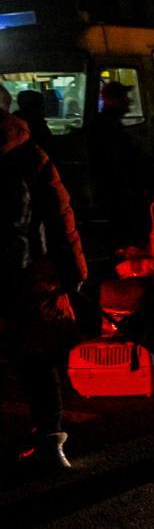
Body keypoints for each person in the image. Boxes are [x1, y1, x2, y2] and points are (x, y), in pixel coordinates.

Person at [1, 111, 87, 471]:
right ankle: (50, 441)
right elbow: (60, 218)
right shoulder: (31, 155)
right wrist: (75, 272)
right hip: (31, 274)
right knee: (36, 358)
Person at [87, 80, 148, 253]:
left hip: (117, 188)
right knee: (121, 232)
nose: (129, 101)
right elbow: (116, 160)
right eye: (124, 97)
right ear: (113, 100)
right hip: (117, 189)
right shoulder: (106, 126)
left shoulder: (107, 123)